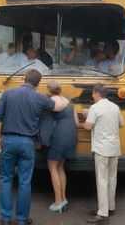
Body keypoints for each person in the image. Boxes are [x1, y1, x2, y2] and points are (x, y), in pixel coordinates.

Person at [0, 69, 68, 225]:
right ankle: (22, 219)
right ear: (38, 84)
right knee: (25, 182)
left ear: (23, 79)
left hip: (9, 140)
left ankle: (5, 217)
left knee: (6, 179)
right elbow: (58, 106)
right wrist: (66, 100)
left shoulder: (8, 93)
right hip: (28, 143)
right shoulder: (40, 97)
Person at [81, 83, 124, 224]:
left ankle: (102, 213)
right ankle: (110, 207)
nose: (92, 96)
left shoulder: (95, 108)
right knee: (112, 178)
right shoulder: (115, 106)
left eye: (93, 94)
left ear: (97, 93)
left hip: (102, 148)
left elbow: (88, 126)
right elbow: (121, 124)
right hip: (115, 147)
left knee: (102, 181)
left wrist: (81, 120)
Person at [46, 81, 79, 213]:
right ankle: (63, 199)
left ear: (49, 89)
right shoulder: (68, 101)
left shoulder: (51, 101)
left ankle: (58, 202)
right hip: (70, 135)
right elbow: (76, 123)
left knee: (52, 167)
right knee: (60, 167)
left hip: (58, 136)